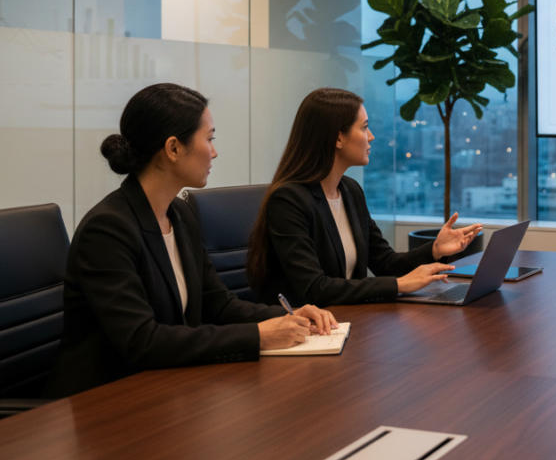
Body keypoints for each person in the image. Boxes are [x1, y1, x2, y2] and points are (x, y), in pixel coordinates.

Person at [45, 84, 335, 398]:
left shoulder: (179, 213)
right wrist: (257, 336)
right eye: (209, 139)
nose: (214, 151)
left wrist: (288, 316)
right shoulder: (107, 229)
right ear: (173, 148)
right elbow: (143, 341)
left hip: (167, 387)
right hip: (106, 401)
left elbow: (218, 304)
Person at [247, 88, 483, 306]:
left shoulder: (350, 191)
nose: (370, 136)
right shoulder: (289, 200)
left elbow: (385, 263)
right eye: (364, 127)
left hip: (349, 319)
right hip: (303, 330)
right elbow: (315, 288)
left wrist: (434, 249)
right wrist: (400, 285)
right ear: (337, 139)